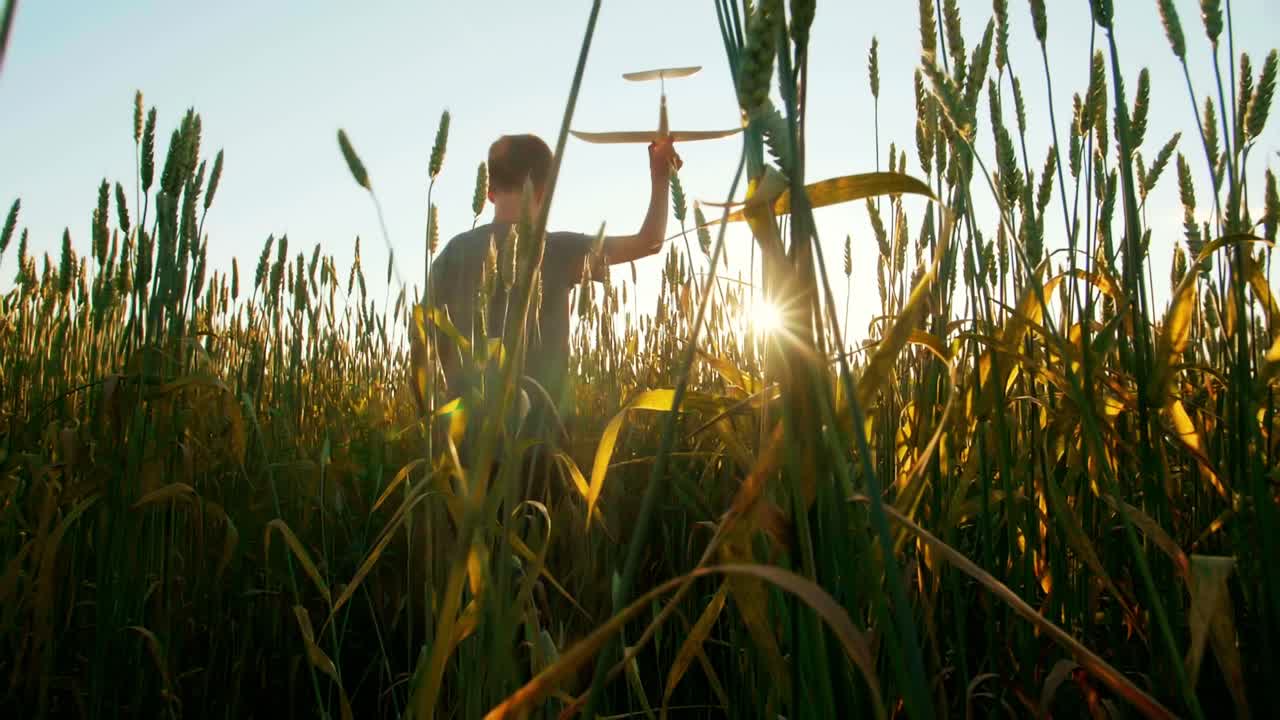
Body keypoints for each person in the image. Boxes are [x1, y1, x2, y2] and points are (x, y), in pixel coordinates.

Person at [420, 133, 681, 435]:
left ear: (489, 192)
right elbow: (650, 242)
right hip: (542, 442)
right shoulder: (559, 250)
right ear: (545, 191)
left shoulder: (453, 253)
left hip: (465, 448)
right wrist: (661, 178)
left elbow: (423, 345)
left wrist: (436, 426)